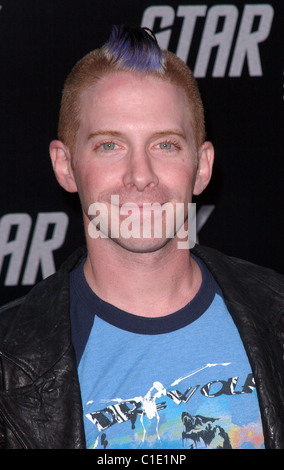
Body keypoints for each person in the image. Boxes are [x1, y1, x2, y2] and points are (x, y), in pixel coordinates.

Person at [0, 25, 283, 450]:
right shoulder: (8, 361)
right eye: (110, 145)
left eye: (165, 145)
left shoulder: (277, 316)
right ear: (64, 165)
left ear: (202, 166)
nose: (140, 176)